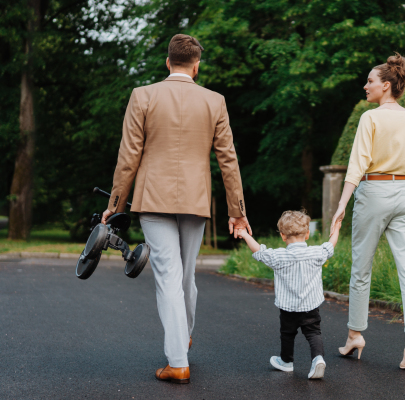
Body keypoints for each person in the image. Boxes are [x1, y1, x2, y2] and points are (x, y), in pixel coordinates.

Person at [101, 34, 252, 384]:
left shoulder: (143, 95)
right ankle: (181, 338)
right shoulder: (215, 101)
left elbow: (128, 157)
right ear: (196, 66)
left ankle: (178, 360)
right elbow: (229, 161)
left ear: (168, 62)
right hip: (196, 201)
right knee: (186, 277)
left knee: (168, 276)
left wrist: (114, 205)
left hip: (153, 200)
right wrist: (237, 210)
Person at [331, 52, 405, 372]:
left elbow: (357, 166)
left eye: (370, 81)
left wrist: (341, 205)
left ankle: (355, 336)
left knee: (362, 267)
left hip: (373, 192)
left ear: (385, 85)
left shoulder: (370, 118)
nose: (366, 86)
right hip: (404, 193)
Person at [236, 210, 342, 379]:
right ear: (307, 234)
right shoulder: (316, 253)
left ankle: (286, 362)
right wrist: (336, 228)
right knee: (314, 333)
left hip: (288, 307)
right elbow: (331, 245)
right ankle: (318, 358)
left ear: (283, 236)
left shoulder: (279, 256)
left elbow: (259, 252)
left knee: (287, 334)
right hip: (310, 306)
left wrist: (244, 234)